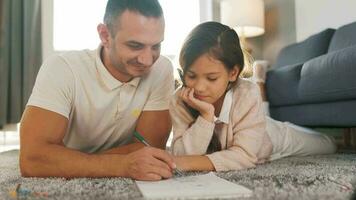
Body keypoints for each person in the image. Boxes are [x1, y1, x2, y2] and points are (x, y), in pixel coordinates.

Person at [20, 0, 177, 180]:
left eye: (156, 46)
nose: (148, 60)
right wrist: (121, 165)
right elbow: (32, 160)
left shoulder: (161, 68)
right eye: (135, 46)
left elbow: (150, 148)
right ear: (105, 35)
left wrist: (69, 161)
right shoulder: (62, 68)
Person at [170, 21, 337, 172]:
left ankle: (262, 90)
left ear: (233, 73)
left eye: (211, 78)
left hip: (271, 136)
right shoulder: (180, 100)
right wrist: (206, 117)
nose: (199, 87)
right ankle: (261, 92)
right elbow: (180, 154)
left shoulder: (247, 92)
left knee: (329, 145)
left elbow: (244, 156)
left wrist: (189, 162)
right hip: (252, 121)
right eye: (191, 76)